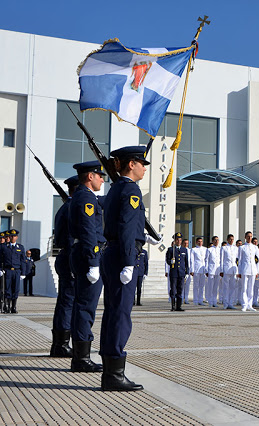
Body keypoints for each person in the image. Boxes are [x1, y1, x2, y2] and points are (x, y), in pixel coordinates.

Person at [100, 145, 159, 391]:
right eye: (141, 163)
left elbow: (123, 224)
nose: (145, 168)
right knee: (120, 315)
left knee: (113, 313)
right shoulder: (131, 190)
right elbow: (124, 226)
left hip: (113, 252)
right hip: (123, 256)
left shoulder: (116, 189)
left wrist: (142, 236)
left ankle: (110, 371)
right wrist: (128, 261)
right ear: (131, 164)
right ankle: (114, 375)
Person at [68, 161, 107, 373]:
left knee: (82, 306)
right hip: (87, 256)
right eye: (100, 175)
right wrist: (93, 261)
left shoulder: (84, 196)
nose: (103, 179)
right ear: (90, 177)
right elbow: (87, 230)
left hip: (84, 254)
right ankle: (81, 359)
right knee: (85, 307)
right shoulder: (85, 198)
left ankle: (80, 356)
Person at [50, 175, 79, 357]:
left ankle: (60, 343)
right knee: (68, 303)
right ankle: (61, 345)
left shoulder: (64, 207)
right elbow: (69, 238)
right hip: (70, 258)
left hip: (65, 257)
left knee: (65, 302)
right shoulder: (71, 208)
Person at [1, 229, 27, 314]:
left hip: (16, 271)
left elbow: (23, 261)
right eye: (11, 236)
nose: (12, 237)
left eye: (14, 236)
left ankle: (14, 307)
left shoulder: (20, 247)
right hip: (7, 270)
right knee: (7, 289)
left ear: (17, 237)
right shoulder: (4, 247)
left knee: (15, 289)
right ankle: (7, 306)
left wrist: (23, 273)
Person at [165, 233, 189, 311]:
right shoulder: (171, 249)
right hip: (174, 272)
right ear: (175, 241)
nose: (179, 241)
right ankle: (173, 306)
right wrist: (170, 262)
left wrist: (187, 272)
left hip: (181, 272)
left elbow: (186, 262)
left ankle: (179, 306)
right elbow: (167, 260)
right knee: (173, 290)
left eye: (180, 240)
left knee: (180, 289)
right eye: (177, 240)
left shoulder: (184, 250)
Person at [237, 231, 258, 312]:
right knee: (244, 288)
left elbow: (256, 260)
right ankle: (244, 305)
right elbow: (240, 260)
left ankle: (250, 305)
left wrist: (256, 271)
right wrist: (239, 271)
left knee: (251, 288)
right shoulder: (242, 248)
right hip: (245, 269)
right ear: (245, 237)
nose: (250, 238)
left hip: (252, 269)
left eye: (251, 236)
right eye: (248, 236)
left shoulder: (254, 247)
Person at [190, 237, 208, 305]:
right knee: (196, 285)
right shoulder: (194, 250)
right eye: (198, 241)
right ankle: (195, 300)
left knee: (202, 286)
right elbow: (192, 260)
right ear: (196, 242)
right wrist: (192, 270)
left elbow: (206, 260)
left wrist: (206, 269)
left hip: (203, 269)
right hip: (196, 269)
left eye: (201, 241)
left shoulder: (205, 249)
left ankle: (200, 300)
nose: (200, 243)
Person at [205, 236, 221, 307]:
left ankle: (214, 301)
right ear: (212, 241)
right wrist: (206, 270)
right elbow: (206, 260)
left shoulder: (220, 249)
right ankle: (210, 301)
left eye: (217, 240)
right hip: (211, 269)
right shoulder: (209, 250)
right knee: (210, 286)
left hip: (218, 269)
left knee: (216, 287)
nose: (216, 241)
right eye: (215, 240)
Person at [181, 239, 192, 304]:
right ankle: (181, 298)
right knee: (181, 285)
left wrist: (191, 270)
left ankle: (186, 298)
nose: (186, 244)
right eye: (184, 243)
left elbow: (191, 261)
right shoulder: (181, 250)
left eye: (187, 243)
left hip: (189, 269)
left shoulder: (190, 251)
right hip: (182, 269)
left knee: (187, 285)